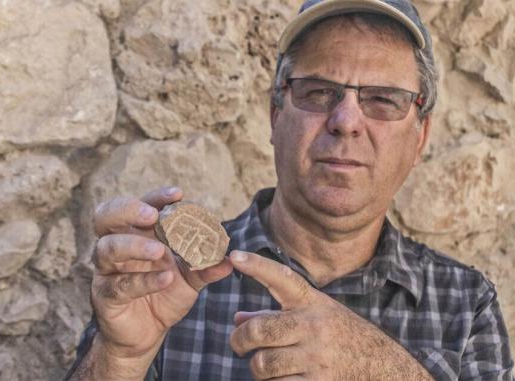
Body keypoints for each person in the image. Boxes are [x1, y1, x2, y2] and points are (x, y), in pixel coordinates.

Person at [66, 0, 514, 379]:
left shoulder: (465, 304)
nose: (346, 121)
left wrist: (372, 365)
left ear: (420, 136)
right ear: (275, 115)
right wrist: (120, 358)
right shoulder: (169, 280)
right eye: (319, 92)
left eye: (382, 99)